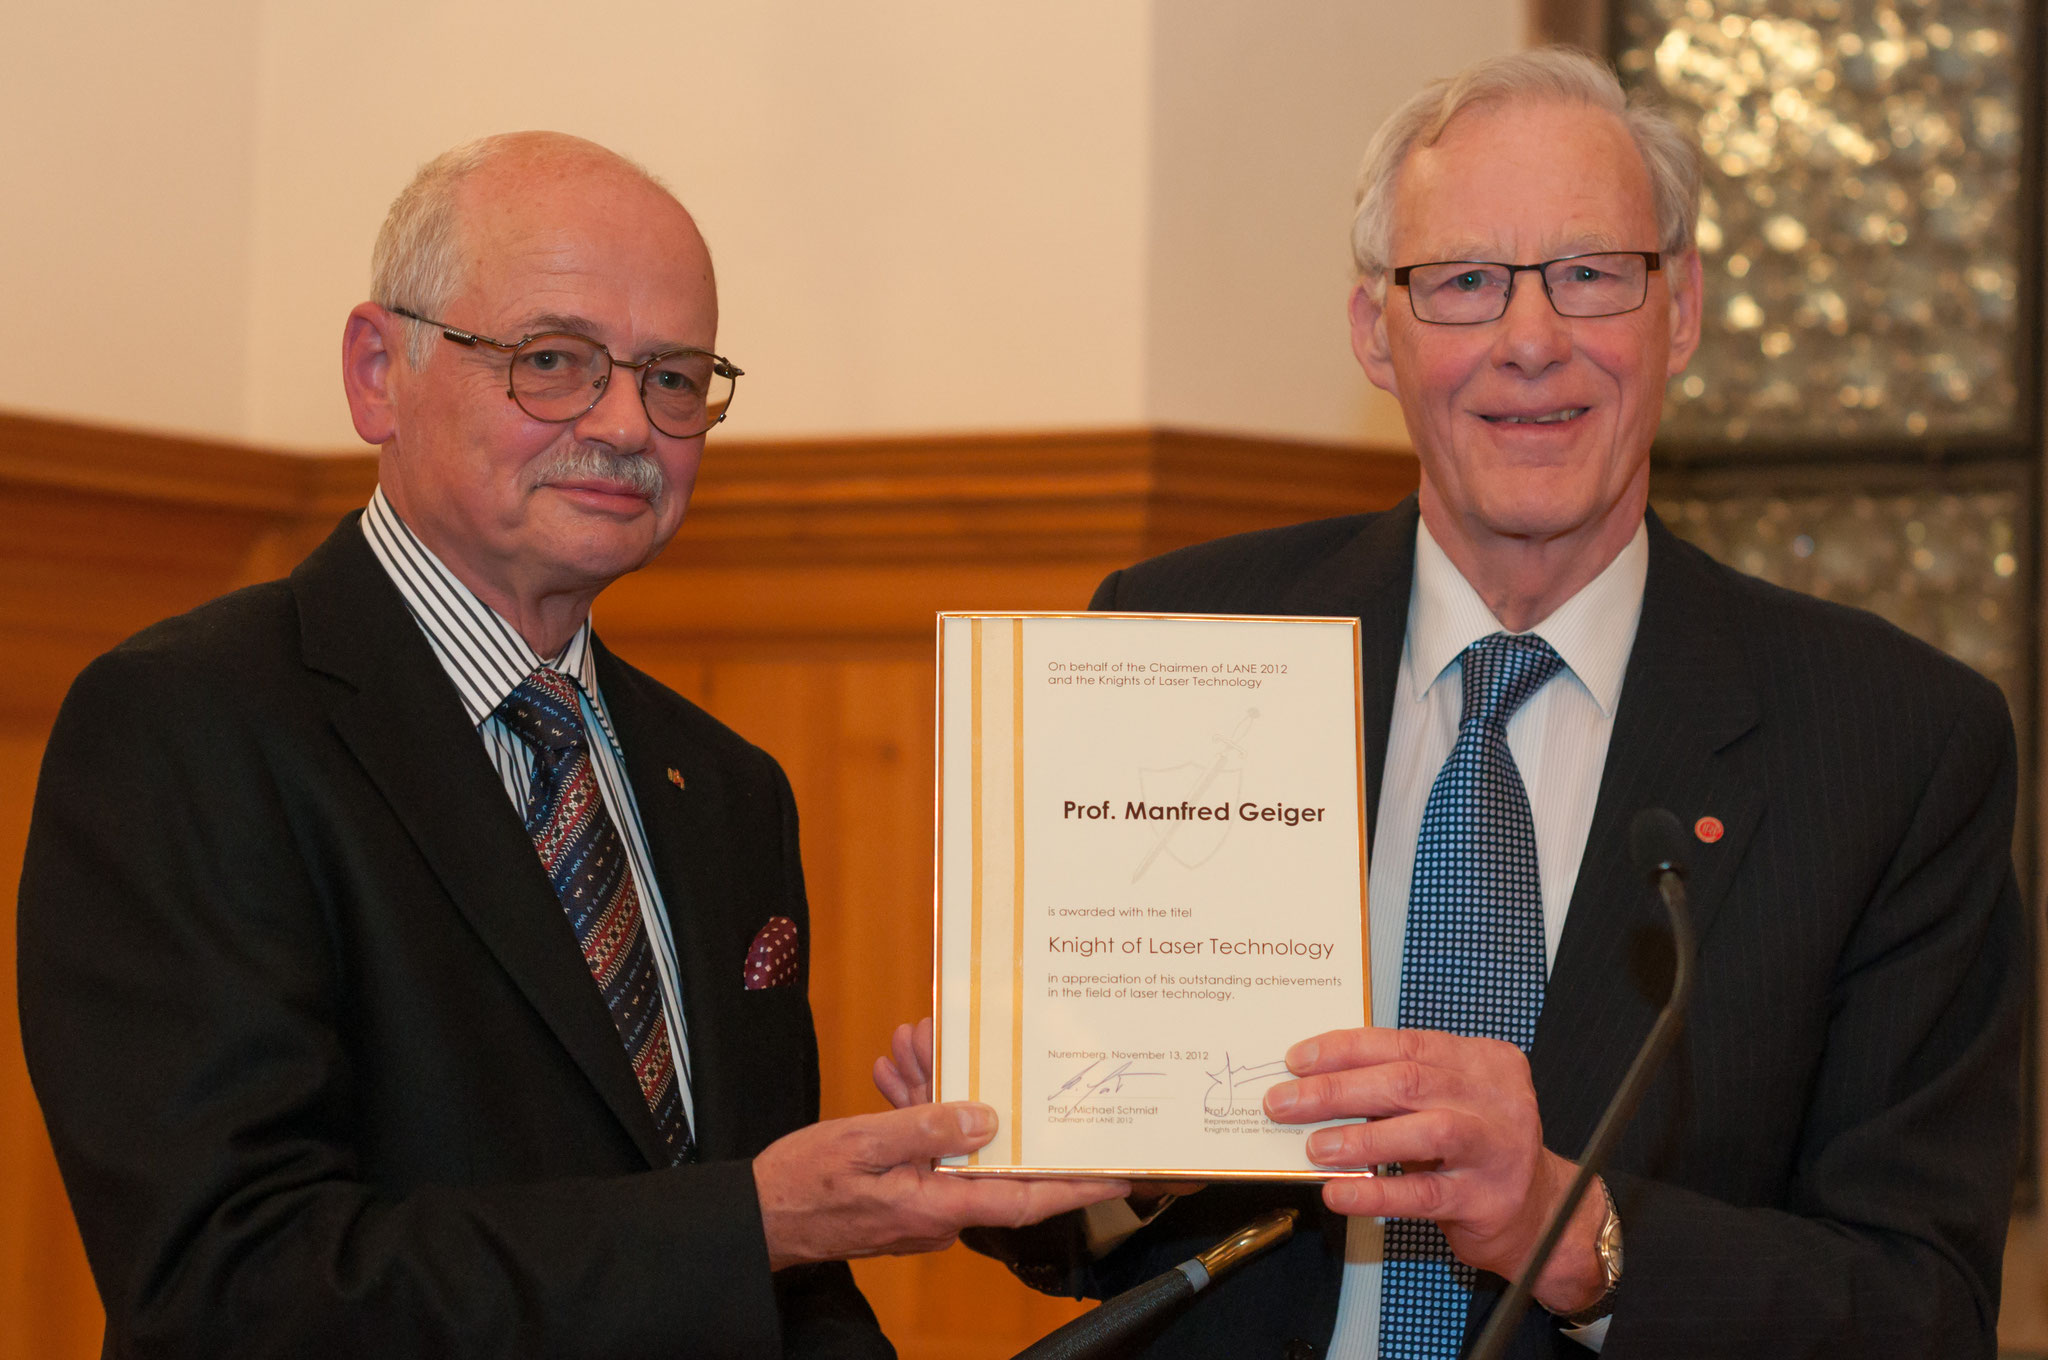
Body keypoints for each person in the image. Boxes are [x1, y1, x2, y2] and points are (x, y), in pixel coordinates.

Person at [878, 47, 2024, 1358]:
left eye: (1591, 275)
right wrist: (1042, 1128)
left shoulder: (1893, 745)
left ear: (1683, 309)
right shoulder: (1178, 635)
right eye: (1465, 283)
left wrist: (1572, 1230)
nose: (1531, 342)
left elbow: (1921, 1312)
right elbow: (1088, 1235)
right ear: (1377, 332)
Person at [16, 131, 1121, 1360]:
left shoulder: (725, 788)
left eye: (674, 377)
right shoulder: (188, 726)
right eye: (553, 361)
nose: (625, 424)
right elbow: (230, 1284)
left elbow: (782, 1295)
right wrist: (750, 1221)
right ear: (377, 371)